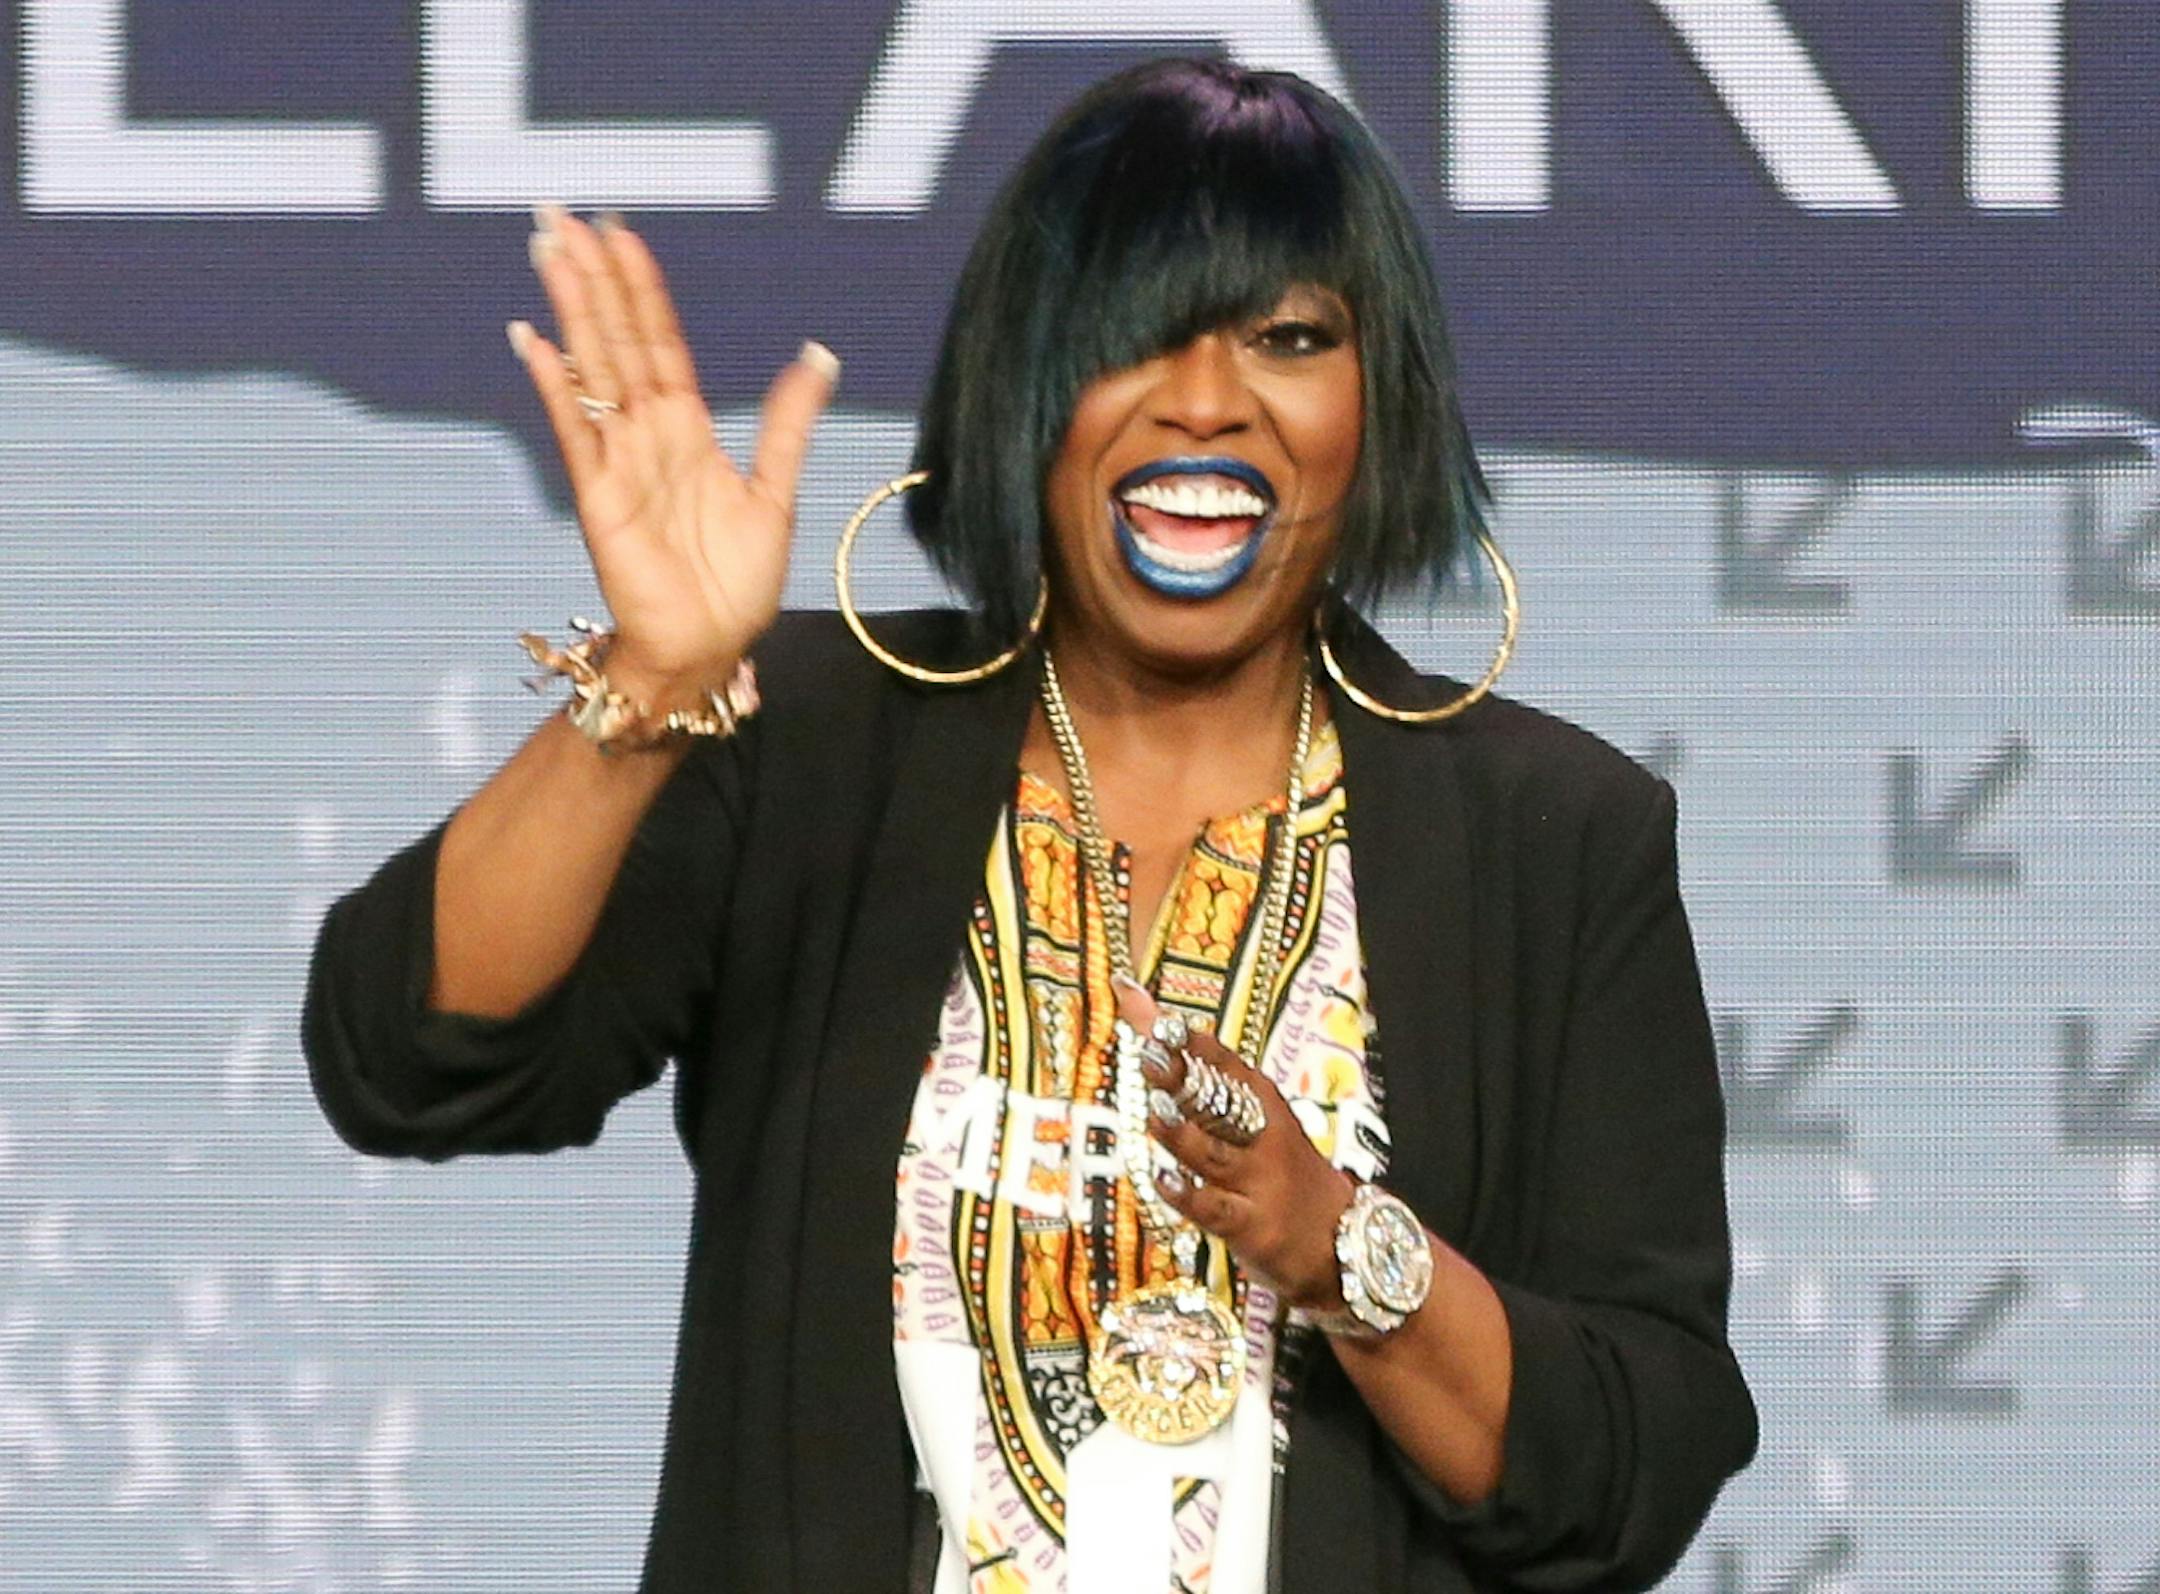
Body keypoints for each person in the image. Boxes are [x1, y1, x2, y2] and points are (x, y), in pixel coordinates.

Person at [302, 56, 1756, 1594]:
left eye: (1289, 337)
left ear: (1376, 407)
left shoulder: (1556, 835)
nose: (1206, 399)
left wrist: (1341, 1248)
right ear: (1021, 389)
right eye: (1134, 333)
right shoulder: (805, 741)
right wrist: (653, 689)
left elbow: (1631, 1465)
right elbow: (407, 1058)